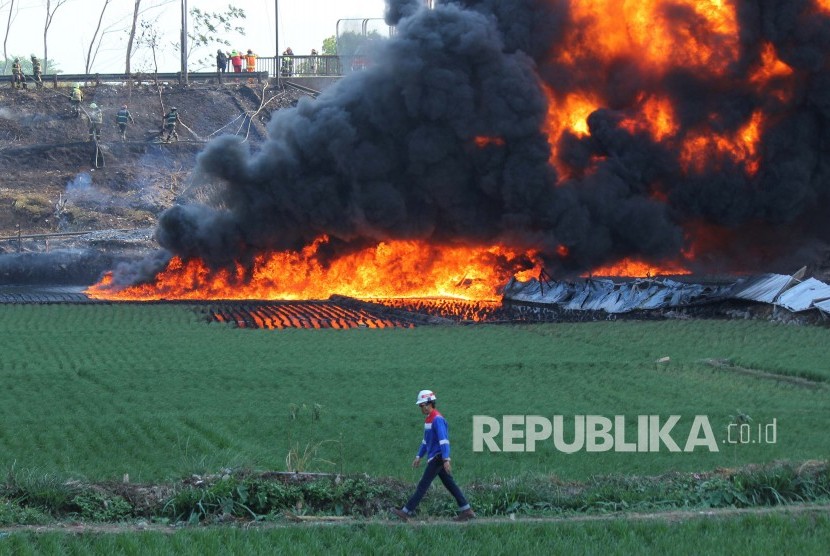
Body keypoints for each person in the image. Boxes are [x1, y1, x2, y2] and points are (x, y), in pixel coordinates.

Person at [391, 390, 475, 522]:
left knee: (423, 485)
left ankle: (406, 511)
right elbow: (426, 441)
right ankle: (466, 510)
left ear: (428, 404)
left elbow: (444, 440)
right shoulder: (428, 420)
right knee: (450, 484)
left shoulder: (437, 419)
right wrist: (419, 456)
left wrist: (446, 459)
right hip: (437, 458)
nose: (420, 408)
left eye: (421, 405)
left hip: (437, 458)